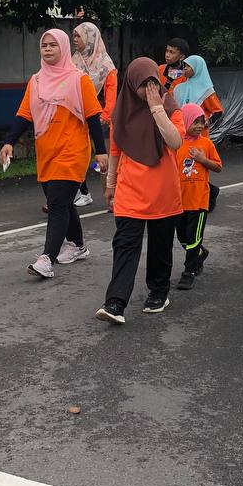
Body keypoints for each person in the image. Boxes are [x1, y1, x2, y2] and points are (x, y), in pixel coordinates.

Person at [0, 29, 108, 280]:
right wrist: (9, 142)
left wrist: (101, 151)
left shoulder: (78, 80)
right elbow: (24, 115)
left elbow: (93, 116)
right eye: (44, 45)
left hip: (72, 152)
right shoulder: (36, 81)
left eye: (53, 45)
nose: (47, 49)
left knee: (56, 205)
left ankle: (46, 259)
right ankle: (78, 246)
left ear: (63, 48)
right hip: (47, 152)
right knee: (63, 203)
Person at [96, 58, 184, 324]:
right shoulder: (122, 112)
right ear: (132, 84)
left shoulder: (170, 106)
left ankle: (158, 291)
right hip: (130, 189)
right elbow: (115, 150)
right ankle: (115, 303)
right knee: (125, 244)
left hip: (162, 191)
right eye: (143, 84)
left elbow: (175, 141)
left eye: (153, 83)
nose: (149, 89)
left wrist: (157, 108)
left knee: (160, 246)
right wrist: (110, 185)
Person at [174, 103, 223, 291]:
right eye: (195, 122)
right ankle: (199, 254)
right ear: (185, 121)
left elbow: (218, 167)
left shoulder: (206, 144)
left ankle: (189, 271)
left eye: (202, 122)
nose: (199, 126)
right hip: (180, 201)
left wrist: (203, 160)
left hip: (199, 200)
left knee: (194, 237)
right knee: (182, 236)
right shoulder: (177, 144)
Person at [72, 21, 118, 206]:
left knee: (103, 161)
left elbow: (111, 96)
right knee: (76, 157)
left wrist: (104, 117)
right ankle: (82, 193)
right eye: (74, 36)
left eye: (78, 36)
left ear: (90, 38)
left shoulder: (106, 65)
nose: (75, 39)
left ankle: (110, 197)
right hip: (77, 118)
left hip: (100, 119)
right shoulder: (73, 62)